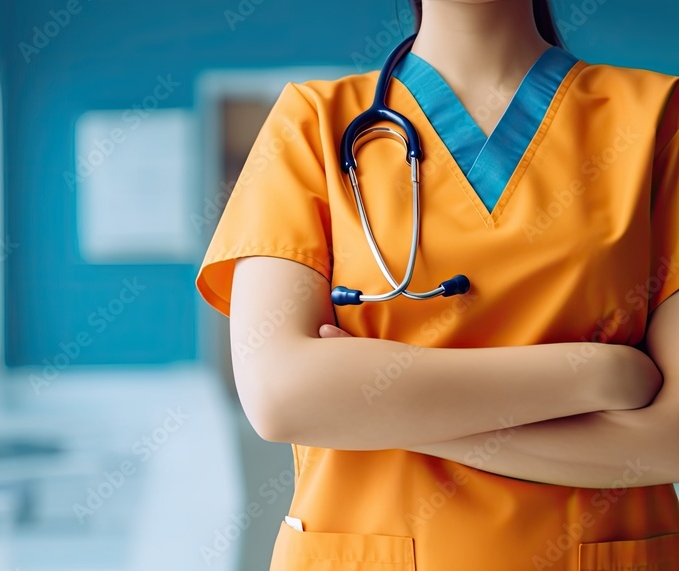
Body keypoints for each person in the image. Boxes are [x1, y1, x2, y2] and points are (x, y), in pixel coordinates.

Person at [194, 1, 679, 569]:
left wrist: (374, 411)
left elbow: (669, 439)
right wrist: (596, 374)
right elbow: (281, 397)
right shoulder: (311, 123)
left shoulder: (658, 119)